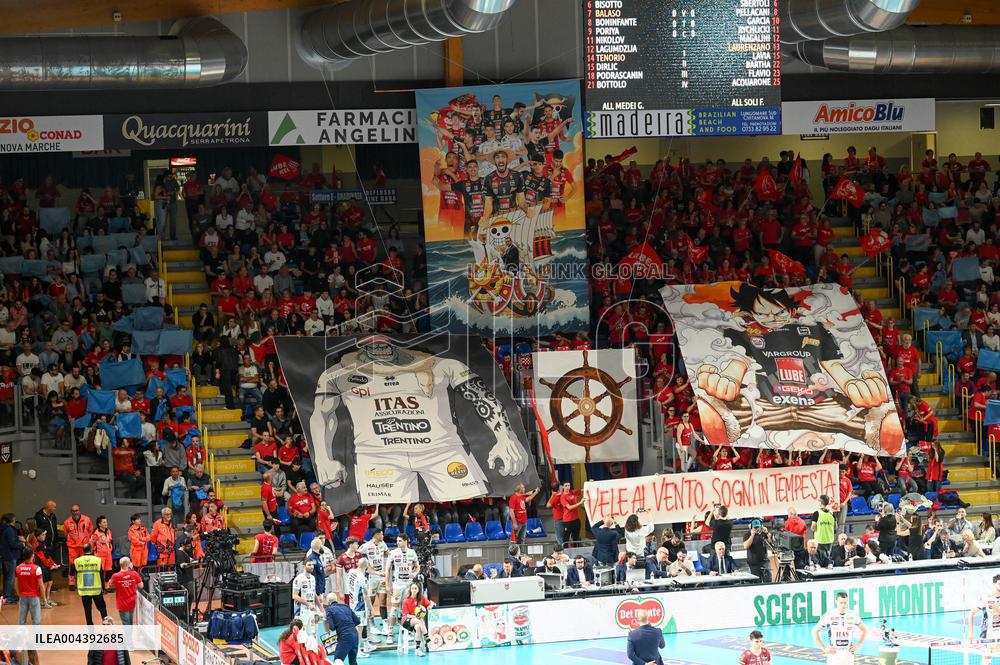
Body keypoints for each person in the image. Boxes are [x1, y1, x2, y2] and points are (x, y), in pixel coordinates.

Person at [813, 591, 867, 665]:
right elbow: (815, 631)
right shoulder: (829, 614)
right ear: (836, 602)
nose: (843, 605)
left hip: (848, 654)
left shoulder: (853, 614)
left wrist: (858, 645)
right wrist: (824, 648)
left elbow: (864, 630)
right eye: (841, 603)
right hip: (834, 654)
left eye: (845, 602)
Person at [385, 533, 419, 644]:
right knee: (394, 609)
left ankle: (407, 631)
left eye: (400, 541)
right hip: (397, 585)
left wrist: (414, 573)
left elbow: (417, 566)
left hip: (408, 585)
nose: (397, 543)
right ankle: (390, 634)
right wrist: (387, 584)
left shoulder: (412, 552)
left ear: (406, 541)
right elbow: (388, 570)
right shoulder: (393, 553)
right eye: (397, 541)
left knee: (407, 609)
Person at [74, 543, 108, 625]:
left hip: (84, 590)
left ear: (83, 550)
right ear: (91, 549)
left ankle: (90, 628)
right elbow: (101, 575)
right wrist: (103, 588)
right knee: (102, 607)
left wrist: (77, 587)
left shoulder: (77, 561)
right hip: (96, 590)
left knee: (87, 609)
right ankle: (105, 622)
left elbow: (75, 575)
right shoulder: (97, 560)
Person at [325, 595, 362, 665]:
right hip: (355, 635)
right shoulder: (346, 606)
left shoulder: (329, 610)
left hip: (345, 636)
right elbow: (357, 621)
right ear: (336, 599)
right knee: (353, 661)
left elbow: (332, 627)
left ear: (329, 602)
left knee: (338, 660)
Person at [63, 504, 93, 588]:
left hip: (84, 547)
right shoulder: (67, 522)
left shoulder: (87, 519)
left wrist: (88, 542)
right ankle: (72, 583)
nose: (75, 512)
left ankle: (85, 581)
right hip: (73, 547)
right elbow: (65, 534)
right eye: (73, 511)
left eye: (76, 510)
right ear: (71, 512)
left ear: (80, 511)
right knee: (72, 565)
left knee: (85, 564)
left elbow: (90, 531)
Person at [107, 556, 143, 625]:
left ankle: (128, 635)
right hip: (132, 602)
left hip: (122, 604)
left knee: (126, 623)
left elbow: (109, 586)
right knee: (130, 622)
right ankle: (129, 635)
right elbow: (141, 586)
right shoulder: (134, 574)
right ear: (128, 565)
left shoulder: (115, 576)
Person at [400, 582, 433, 657]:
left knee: (418, 627)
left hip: (416, 621)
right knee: (420, 620)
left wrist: (431, 605)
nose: (413, 590)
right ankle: (427, 639)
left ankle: (417, 649)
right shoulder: (406, 600)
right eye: (412, 588)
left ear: (418, 590)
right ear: (410, 589)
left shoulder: (421, 598)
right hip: (406, 620)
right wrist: (415, 617)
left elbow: (428, 605)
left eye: (415, 588)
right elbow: (406, 614)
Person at [15, 549, 42, 627]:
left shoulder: (18, 568)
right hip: (34, 596)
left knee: (21, 621)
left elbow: (16, 584)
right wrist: (44, 599)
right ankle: (37, 639)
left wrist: (19, 594)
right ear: (32, 556)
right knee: (36, 621)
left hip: (23, 596)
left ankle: (22, 638)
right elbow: (41, 585)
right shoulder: (37, 568)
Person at [969, 574, 1000, 645]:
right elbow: (972, 613)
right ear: (994, 584)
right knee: (986, 655)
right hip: (987, 631)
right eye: (999, 584)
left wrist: (996, 608)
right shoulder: (987, 598)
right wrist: (971, 632)